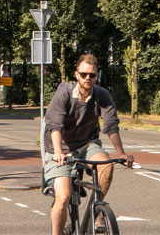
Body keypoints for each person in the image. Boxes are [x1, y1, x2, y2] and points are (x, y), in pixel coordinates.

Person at [43, 53, 133, 235]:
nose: (88, 78)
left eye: (92, 75)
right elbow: (55, 126)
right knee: (63, 198)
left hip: (87, 144)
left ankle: (96, 210)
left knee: (106, 166)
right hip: (61, 147)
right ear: (76, 74)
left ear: (97, 75)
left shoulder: (102, 95)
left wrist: (121, 153)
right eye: (84, 74)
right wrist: (59, 152)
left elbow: (111, 126)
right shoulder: (65, 92)